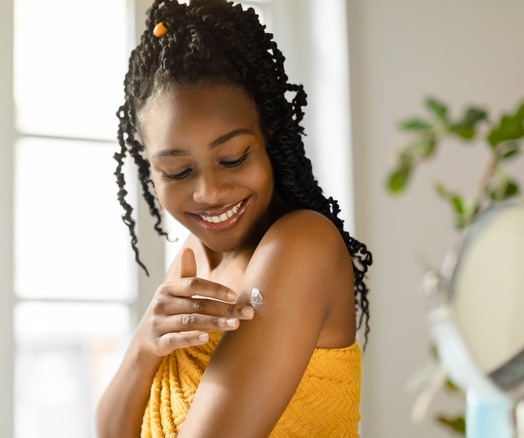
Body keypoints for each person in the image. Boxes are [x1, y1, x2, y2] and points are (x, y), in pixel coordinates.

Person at [97, 0, 372, 436]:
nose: (208, 193)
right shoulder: (196, 257)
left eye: (232, 157)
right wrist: (144, 345)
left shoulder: (301, 245)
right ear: (150, 171)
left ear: (270, 134)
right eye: (178, 171)